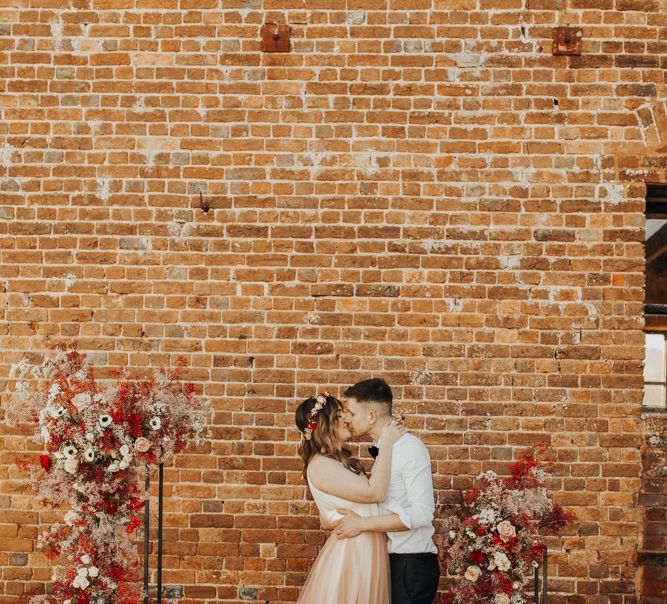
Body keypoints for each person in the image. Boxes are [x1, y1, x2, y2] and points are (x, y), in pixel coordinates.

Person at [294, 391, 404, 604]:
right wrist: (388, 442)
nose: (346, 419)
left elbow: (327, 518)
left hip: (366, 544)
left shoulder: (336, 462)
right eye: (337, 416)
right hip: (352, 551)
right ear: (323, 426)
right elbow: (375, 493)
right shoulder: (320, 465)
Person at [337, 378, 440, 604]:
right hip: (391, 561)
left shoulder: (410, 449)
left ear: (371, 416)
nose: (347, 419)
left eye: (352, 413)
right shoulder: (386, 449)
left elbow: (423, 513)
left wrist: (362, 524)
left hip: (410, 566)